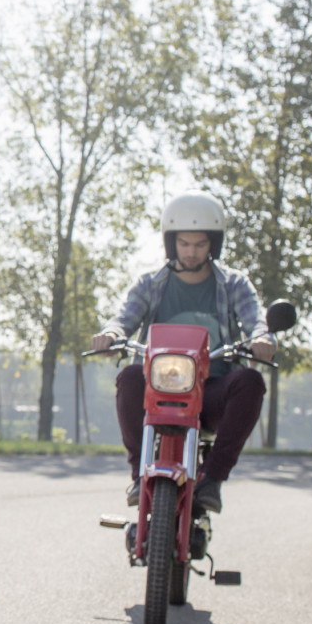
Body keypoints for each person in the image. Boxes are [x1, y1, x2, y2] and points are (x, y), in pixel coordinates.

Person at [90, 190, 274, 514]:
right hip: (159, 388)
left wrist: (262, 338)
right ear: (171, 242)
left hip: (212, 391)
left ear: (213, 244)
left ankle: (212, 479)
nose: (191, 252)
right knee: (130, 375)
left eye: (200, 244)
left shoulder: (234, 284)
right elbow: (124, 317)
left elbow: (255, 319)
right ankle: (138, 475)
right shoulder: (150, 284)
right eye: (184, 244)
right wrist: (111, 334)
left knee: (251, 381)